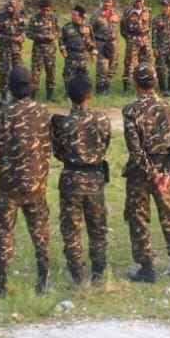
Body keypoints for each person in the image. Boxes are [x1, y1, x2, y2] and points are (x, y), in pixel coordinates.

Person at [0, 66, 52, 294]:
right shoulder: (43, 111)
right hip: (37, 182)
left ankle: (0, 282)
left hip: (9, 184)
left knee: (5, 232)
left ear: (11, 89)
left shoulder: (5, 113)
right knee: (40, 232)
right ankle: (44, 279)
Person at [121, 63, 170, 282]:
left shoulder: (131, 110)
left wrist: (151, 172)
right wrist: (167, 173)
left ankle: (147, 268)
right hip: (165, 171)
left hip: (140, 173)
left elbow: (135, 148)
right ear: (155, 81)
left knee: (139, 218)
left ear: (136, 83)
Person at [51, 76, 113, 283]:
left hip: (71, 178)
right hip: (95, 177)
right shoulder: (102, 119)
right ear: (90, 96)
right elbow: (105, 144)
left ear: (69, 96)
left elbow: (57, 152)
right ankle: (98, 270)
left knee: (71, 228)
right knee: (97, 227)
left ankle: (77, 272)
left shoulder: (61, 123)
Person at [0, 0, 27, 103]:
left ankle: (17, 96)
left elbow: (24, 30)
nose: (11, 6)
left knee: (18, 72)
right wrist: (10, 38)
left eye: (14, 4)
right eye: (9, 3)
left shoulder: (21, 15)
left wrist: (22, 37)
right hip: (5, 49)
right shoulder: (1, 16)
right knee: (4, 73)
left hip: (17, 50)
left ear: (17, 4)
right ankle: (4, 97)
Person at [27, 0, 60, 101]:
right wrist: (39, 36)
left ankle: (50, 97)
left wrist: (53, 36)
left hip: (50, 51)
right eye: (44, 10)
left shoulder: (54, 18)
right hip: (38, 50)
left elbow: (59, 31)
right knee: (35, 75)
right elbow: (28, 33)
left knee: (51, 73)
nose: (46, 12)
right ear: (40, 9)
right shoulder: (34, 19)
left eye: (48, 10)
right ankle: (32, 97)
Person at [120, 0, 152, 92]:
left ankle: (146, 85)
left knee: (147, 62)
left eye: (140, 0)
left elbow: (149, 24)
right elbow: (122, 27)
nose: (138, 2)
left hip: (145, 39)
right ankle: (127, 87)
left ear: (143, 0)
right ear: (133, 1)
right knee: (129, 63)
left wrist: (146, 37)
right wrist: (129, 38)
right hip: (132, 39)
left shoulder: (148, 10)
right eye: (137, 0)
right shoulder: (128, 11)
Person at [91, 0, 120, 94]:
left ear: (112, 2)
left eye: (109, 2)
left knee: (112, 67)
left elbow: (121, 28)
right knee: (102, 67)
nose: (107, 4)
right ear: (102, 1)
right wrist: (93, 47)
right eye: (105, 1)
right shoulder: (96, 14)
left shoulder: (116, 13)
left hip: (113, 44)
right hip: (101, 43)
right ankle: (100, 90)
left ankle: (107, 87)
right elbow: (90, 31)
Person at [60, 5, 96, 87]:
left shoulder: (88, 26)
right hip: (71, 55)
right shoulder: (67, 27)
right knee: (68, 76)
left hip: (84, 55)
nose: (72, 17)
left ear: (81, 16)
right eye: (72, 15)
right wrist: (63, 50)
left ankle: (84, 94)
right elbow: (61, 40)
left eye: (74, 15)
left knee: (84, 76)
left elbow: (92, 40)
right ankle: (69, 94)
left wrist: (93, 53)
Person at [152, 0, 170, 94]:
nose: (165, 8)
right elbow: (154, 35)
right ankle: (164, 89)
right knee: (161, 69)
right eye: (163, 6)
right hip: (161, 48)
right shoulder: (156, 19)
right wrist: (154, 48)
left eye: (167, 6)